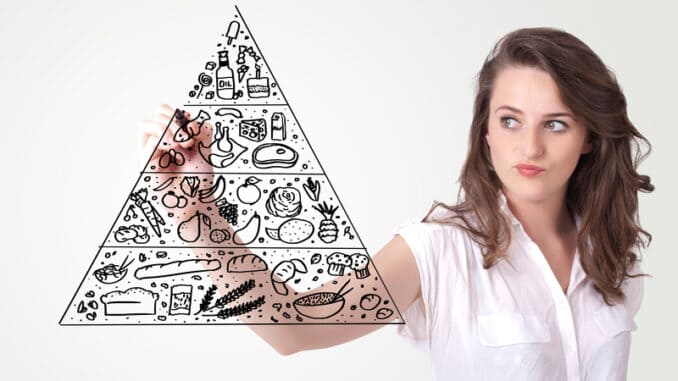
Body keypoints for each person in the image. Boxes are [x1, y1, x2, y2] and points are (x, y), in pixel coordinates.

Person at [139, 27, 653, 380]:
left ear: (589, 136)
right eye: (511, 120)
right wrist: (194, 209)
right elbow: (292, 326)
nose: (530, 147)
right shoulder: (438, 250)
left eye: (556, 123)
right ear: (486, 131)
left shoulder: (613, 261)